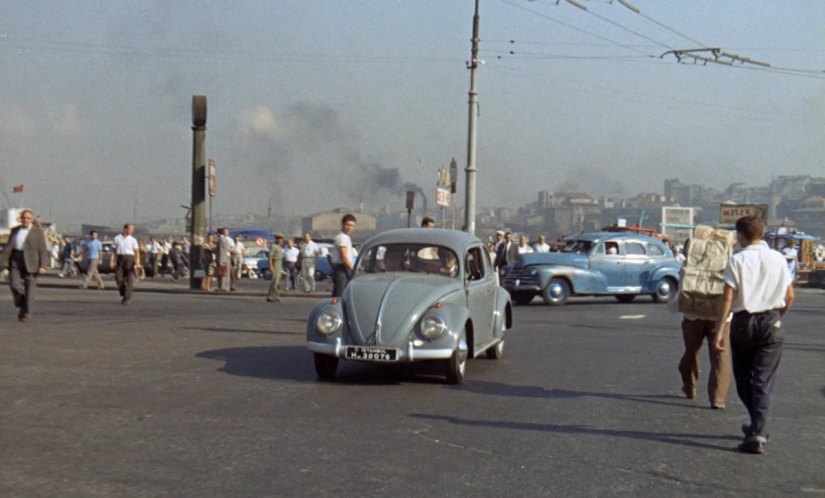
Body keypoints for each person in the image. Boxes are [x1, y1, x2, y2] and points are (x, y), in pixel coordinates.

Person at [713, 215, 794, 455]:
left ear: (740, 236)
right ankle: (758, 426)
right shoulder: (779, 259)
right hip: (771, 321)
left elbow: (728, 297)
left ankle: (757, 431)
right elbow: (789, 295)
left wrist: (719, 329)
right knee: (763, 380)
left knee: (744, 379)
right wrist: (779, 315)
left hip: (743, 323)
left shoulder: (737, 260)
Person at [676, 231, 734, 410]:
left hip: (693, 314)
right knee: (720, 356)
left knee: (691, 350)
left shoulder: (689, 261)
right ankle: (718, 398)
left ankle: (690, 386)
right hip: (720, 316)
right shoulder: (730, 261)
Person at [1, 209, 49, 322]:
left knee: (30, 289)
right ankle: (22, 301)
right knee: (14, 284)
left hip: (32, 262)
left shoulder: (37, 232)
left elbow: (42, 249)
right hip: (16, 259)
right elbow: (8, 248)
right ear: (20, 219)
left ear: (31, 219)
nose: (25, 220)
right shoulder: (15, 230)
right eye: (23, 218)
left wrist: (43, 265)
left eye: (28, 218)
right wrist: (2, 263)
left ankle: (27, 313)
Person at [113, 223, 141, 305]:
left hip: (129, 258)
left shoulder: (133, 240)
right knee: (118, 278)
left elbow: (136, 252)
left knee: (129, 279)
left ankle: (127, 298)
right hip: (120, 257)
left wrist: (137, 262)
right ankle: (124, 292)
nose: (132, 231)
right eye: (131, 229)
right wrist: (112, 260)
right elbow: (114, 250)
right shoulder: (117, 238)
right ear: (125, 229)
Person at [331, 213, 357, 297]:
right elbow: (344, 257)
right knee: (340, 294)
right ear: (343, 224)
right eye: (348, 225)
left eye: (352, 226)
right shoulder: (342, 237)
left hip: (343, 268)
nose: (350, 228)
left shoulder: (346, 237)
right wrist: (354, 270)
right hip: (342, 268)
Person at [267, 233, 285, 302]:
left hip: (279, 263)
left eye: (281, 239)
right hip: (275, 263)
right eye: (279, 239)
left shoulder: (279, 247)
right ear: (276, 239)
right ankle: (271, 295)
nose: (280, 240)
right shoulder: (273, 246)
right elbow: (270, 257)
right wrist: (271, 266)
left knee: (277, 281)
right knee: (274, 281)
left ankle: (276, 295)